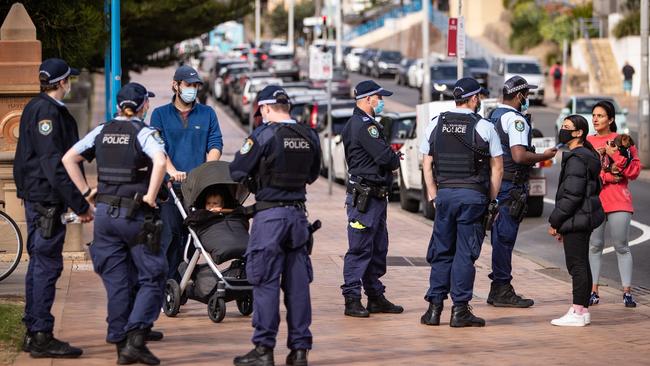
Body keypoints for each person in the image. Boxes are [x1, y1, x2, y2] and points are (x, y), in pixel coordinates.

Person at [62, 82, 168, 364]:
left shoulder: (102, 130)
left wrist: (86, 192)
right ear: (143, 106)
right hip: (134, 216)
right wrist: (150, 196)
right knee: (154, 274)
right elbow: (160, 162)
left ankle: (122, 345)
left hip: (105, 217)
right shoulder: (144, 132)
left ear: (118, 106)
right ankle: (136, 337)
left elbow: (69, 158)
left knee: (118, 281)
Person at [230, 85, 321, 366]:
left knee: (265, 282)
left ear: (266, 109)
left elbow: (237, 171)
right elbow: (313, 175)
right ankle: (299, 351)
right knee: (297, 286)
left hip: (270, 217)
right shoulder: (309, 135)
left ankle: (264, 350)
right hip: (298, 218)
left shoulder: (264, 134)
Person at [13, 58, 93, 358]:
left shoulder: (35, 107)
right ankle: (41, 334)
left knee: (39, 264)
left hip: (37, 196)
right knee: (46, 265)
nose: (69, 83)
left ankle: (34, 329)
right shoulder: (47, 111)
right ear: (61, 83)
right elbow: (53, 163)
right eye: (68, 79)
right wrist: (80, 202)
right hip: (46, 199)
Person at [420, 77, 504, 328]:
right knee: (464, 255)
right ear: (474, 98)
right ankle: (460, 310)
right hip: (473, 197)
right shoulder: (485, 127)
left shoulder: (435, 124)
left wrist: (434, 194)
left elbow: (427, 164)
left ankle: (434, 310)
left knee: (442, 252)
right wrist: (491, 199)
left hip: (444, 196)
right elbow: (497, 168)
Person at [486, 76, 557, 308]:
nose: (527, 99)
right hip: (510, 186)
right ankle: (502, 289)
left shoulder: (493, 116)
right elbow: (519, 156)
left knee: (498, 239)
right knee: (504, 239)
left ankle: (498, 287)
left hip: (496, 184)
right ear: (519, 96)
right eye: (526, 95)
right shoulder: (516, 121)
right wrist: (544, 156)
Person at [150, 65, 223, 281]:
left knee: (192, 239)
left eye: (196, 86)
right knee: (170, 236)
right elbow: (157, 146)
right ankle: (168, 284)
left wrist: (205, 172)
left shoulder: (207, 114)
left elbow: (215, 143)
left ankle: (183, 282)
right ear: (176, 85)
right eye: (188, 85)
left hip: (196, 188)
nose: (192, 89)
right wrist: (171, 171)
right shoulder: (160, 114)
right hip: (170, 189)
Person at [340, 80, 404, 318]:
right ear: (368, 99)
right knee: (359, 248)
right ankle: (352, 298)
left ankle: (375, 296)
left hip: (375, 197)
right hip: (365, 198)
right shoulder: (365, 126)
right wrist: (393, 158)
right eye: (379, 97)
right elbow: (386, 158)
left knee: (377, 248)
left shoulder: (363, 124)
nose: (381, 102)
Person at [548, 115, 605, 327]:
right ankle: (583, 310)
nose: (562, 130)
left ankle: (577, 311)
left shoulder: (576, 159)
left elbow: (572, 195)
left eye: (567, 127)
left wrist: (555, 221)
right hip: (584, 217)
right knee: (582, 263)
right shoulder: (585, 155)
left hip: (577, 218)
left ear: (578, 133)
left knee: (577, 265)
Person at [586, 100, 641, 308]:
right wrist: (609, 176)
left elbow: (634, 171)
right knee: (595, 245)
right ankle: (593, 291)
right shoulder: (588, 141)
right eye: (594, 115)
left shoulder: (623, 140)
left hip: (619, 200)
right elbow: (586, 173)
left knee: (622, 246)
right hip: (595, 200)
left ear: (610, 119)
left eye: (600, 115)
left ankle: (627, 292)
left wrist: (613, 154)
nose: (595, 119)